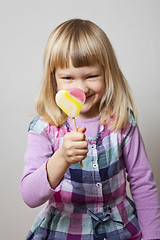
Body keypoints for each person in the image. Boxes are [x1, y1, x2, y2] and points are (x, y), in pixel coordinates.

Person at [20, 19, 160, 240]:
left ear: (107, 73)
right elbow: (29, 195)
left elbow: (143, 183)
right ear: (53, 80)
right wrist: (62, 158)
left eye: (91, 76)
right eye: (68, 78)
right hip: (64, 231)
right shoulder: (45, 129)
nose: (81, 88)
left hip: (119, 229)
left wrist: (152, 235)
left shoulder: (122, 122)